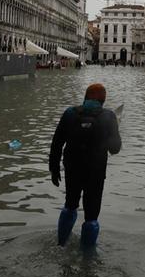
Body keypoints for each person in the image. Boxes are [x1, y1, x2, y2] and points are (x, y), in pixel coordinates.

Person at [49, 83, 122, 251]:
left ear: (85, 97)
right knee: (91, 216)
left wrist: (54, 168)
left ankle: (61, 245)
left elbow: (57, 144)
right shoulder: (109, 117)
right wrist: (115, 128)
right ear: (103, 101)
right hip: (95, 172)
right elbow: (115, 149)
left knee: (70, 205)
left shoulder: (70, 113)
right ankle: (87, 258)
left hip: (72, 168)